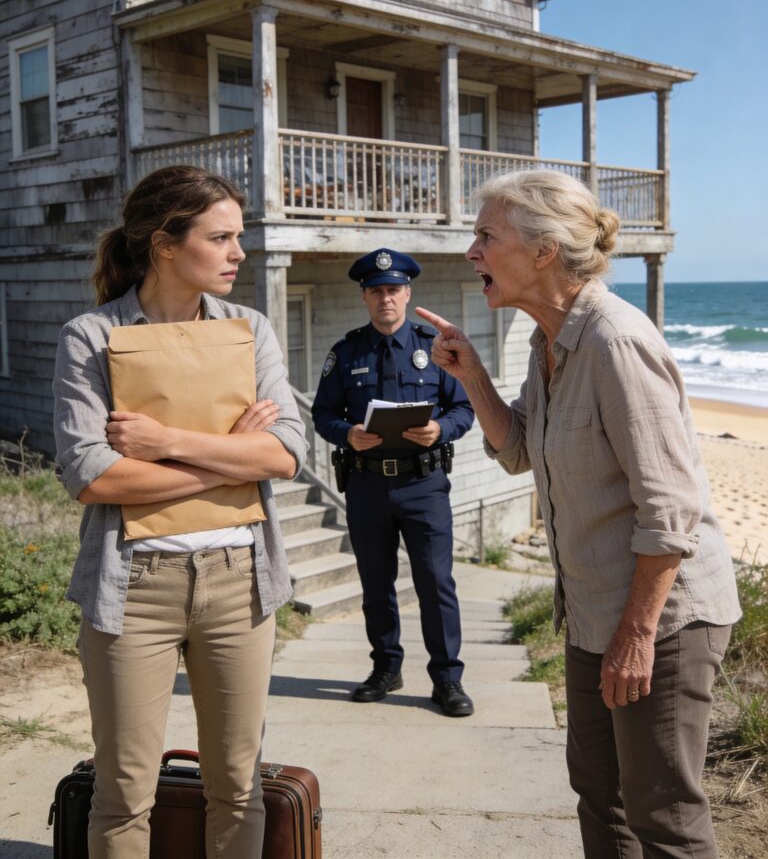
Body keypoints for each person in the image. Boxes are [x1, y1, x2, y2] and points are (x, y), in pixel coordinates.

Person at [416, 170, 741, 857]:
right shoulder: (549, 340)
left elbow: (670, 511)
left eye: (485, 236)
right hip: (595, 613)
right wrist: (471, 375)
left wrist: (637, 635)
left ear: (542, 252)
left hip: (664, 619)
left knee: (665, 815)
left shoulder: (615, 342)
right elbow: (516, 452)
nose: (471, 252)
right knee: (601, 797)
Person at [53, 166, 307, 859]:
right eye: (221, 237)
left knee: (238, 787)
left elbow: (285, 454)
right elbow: (93, 476)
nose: (239, 252)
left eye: (239, 237)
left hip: (239, 582)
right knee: (124, 792)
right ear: (166, 245)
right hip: (132, 588)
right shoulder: (90, 337)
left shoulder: (248, 328)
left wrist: (167, 444)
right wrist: (232, 456)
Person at [311, 248, 475, 716]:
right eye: (376, 291)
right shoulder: (346, 353)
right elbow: (323, 413)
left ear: (407, 293)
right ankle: (386, 667)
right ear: (365, 297)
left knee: (436, 583)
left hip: (424, 486)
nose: (386, 298)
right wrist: (349, 435)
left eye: (393, 290)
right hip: (366, 486)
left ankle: (447, 680)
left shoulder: (434, 347)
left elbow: (464, 408)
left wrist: (440, 429)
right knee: (376, 584)